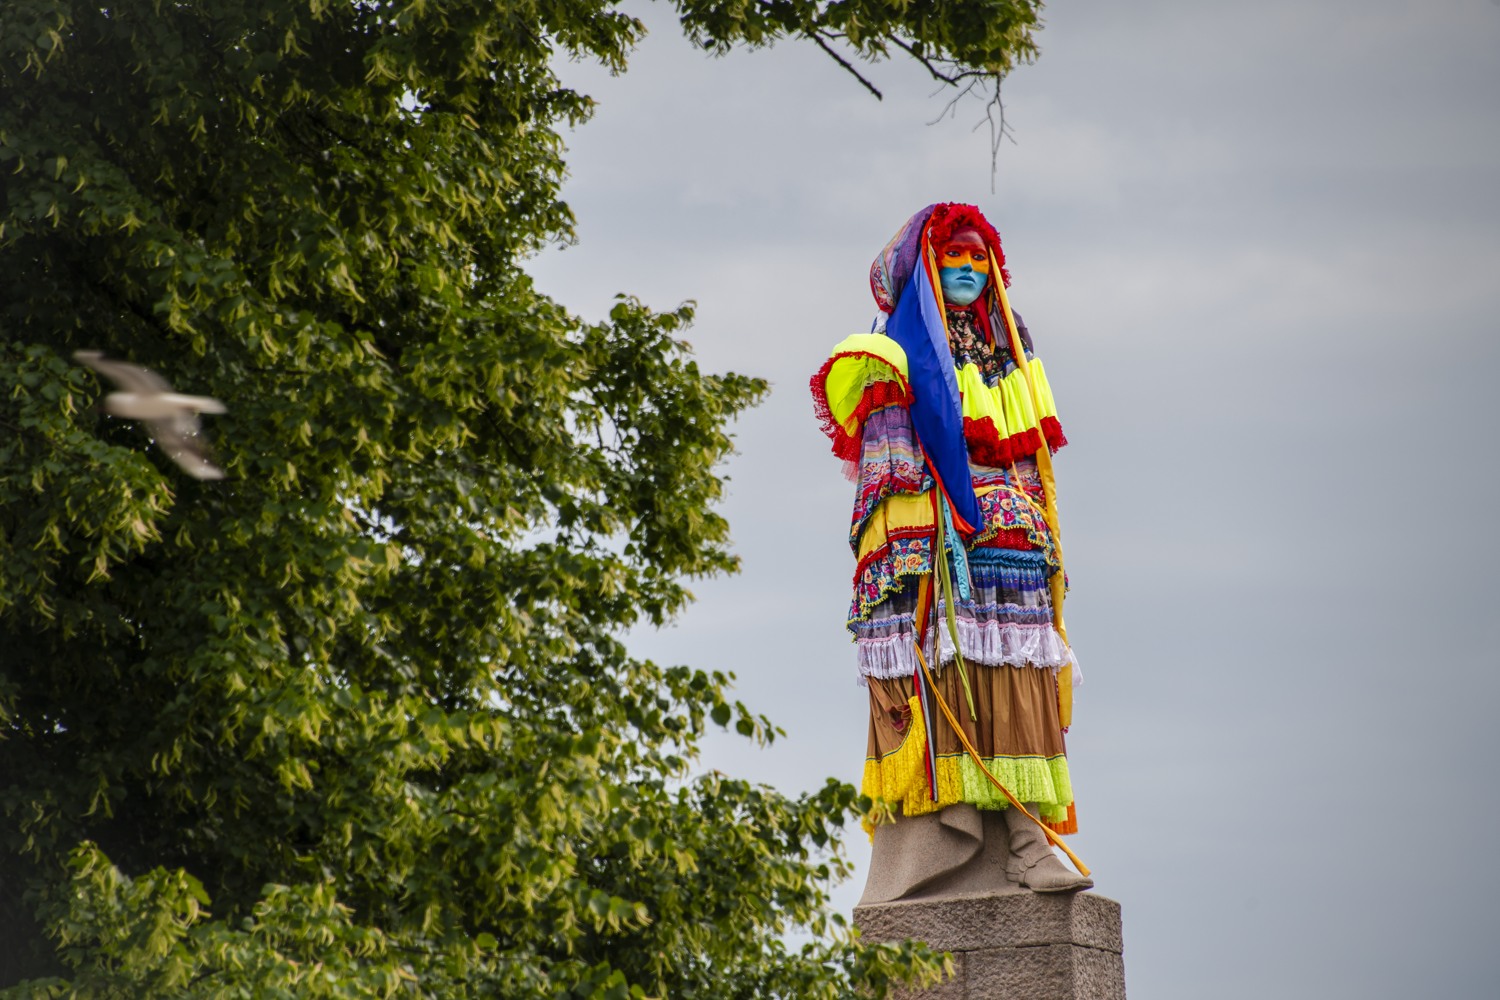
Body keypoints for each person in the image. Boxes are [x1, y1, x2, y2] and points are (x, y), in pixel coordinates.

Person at [811, 203, 1091, 900]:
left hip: (1016, 566)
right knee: (963, 695)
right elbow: (888, 480)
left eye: (977, 259)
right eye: (952, 259)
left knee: (1022, 696)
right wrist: (915, 555)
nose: (967, 270)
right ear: (928, 273)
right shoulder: (898, 355)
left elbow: (1032, 463)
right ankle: (995, 845)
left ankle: (1029, 841)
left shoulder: (1011, 351)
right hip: (948, 566)